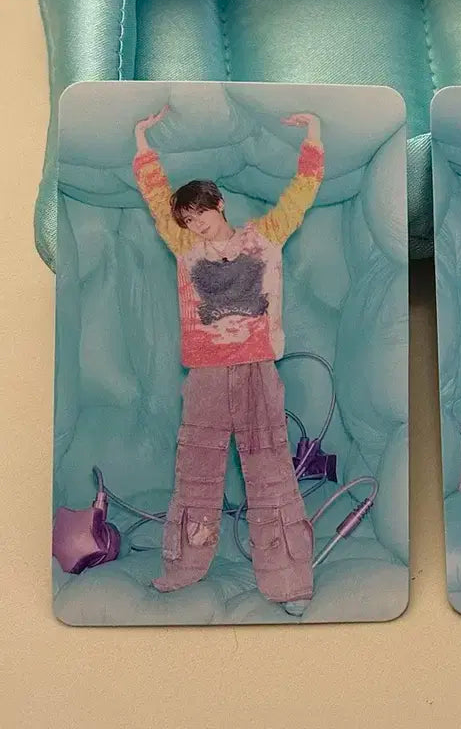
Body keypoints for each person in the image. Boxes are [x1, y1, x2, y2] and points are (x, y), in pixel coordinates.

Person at [132, 104, 324, 614]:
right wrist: (141, 140)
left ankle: (288, 581)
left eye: (200, 213)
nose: (195, 224)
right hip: (206, 375)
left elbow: (302, 192)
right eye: (187, 219)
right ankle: (183, 569)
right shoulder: (184, 246)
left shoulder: (265, 236)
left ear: (219, 204)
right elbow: (155, 197)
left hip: (258, 368)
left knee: (271, 471)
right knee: (196, 471)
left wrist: (315, 133)